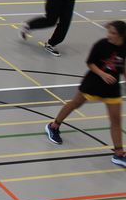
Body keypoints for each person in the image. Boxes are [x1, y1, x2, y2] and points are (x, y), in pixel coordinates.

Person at [45, 21, 126, 168]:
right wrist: (102, 74)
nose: (109, 35)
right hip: (93, 83)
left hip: (112, 88)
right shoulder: (102, 44)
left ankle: (119, 154)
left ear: (121, 35)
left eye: (113, 33)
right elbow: (90, 63)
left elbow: (124, 67)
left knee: (116, 119)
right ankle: (53, 126)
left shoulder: (124, 47)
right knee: (74, 104)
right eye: (109, 31)